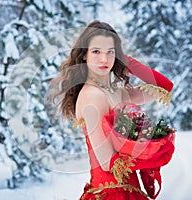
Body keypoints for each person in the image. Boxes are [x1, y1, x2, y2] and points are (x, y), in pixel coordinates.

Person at [49, 20, 174, 200]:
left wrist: (126, 61)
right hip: (112, 193)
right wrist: (148, 153)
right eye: (96, 51)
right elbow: (108, 162)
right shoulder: (92, 96)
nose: (104, 59)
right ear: (84, 54)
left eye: (110, 52)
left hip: (128, 190)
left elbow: (164, 86)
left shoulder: (116, 93)